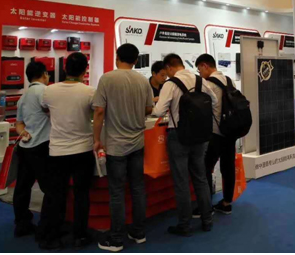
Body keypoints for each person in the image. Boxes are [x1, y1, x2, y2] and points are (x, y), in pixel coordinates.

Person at [93, 43, 154, 252]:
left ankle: (116, 239)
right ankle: (139, 232)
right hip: (137, 143)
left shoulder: (107, 79)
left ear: (117, 57)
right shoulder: (142, 80)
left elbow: (99, 111)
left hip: (116, 145)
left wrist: (96, 139)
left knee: (117, 192)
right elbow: (149, 108)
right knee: (138, 188)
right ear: (136, 60)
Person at [154, 53, 220, 236]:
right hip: (201, 135)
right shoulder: (200, 81)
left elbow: (158, 111)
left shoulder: (170, 84)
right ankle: (207, 220)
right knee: (200, 177)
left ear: (169, 67)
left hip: (178, 136)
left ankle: (184, 225)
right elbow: (214, 101)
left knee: (181, 181)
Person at [40, 52, 95, 250]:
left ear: (65, 68)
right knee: (82, 195)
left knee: (56, 195)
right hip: (83, 149)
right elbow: (96, 113)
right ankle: (80, 236)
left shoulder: (49, 90)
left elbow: (44, 109)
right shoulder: (90, 91)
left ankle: (52, 237)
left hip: (57, 151)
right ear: (85, 70)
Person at [193, 54, 236, 217]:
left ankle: (205, 206)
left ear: (205, 66)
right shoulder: (229, 80)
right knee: (228, 167)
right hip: (230, 131)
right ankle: (226, 203)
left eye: (199, 69)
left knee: (205, 168)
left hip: (215, 133)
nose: (200, 73)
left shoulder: (207, 84)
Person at [13, 61, 51, 239]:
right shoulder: (45, 92)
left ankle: (22, 223)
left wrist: (23, 133)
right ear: (44, 74)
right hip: (42, 145)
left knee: (22, 187)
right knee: (50, 189)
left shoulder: (23, 97)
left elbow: (19, 124)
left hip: (25, 146)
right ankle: (46, 227)